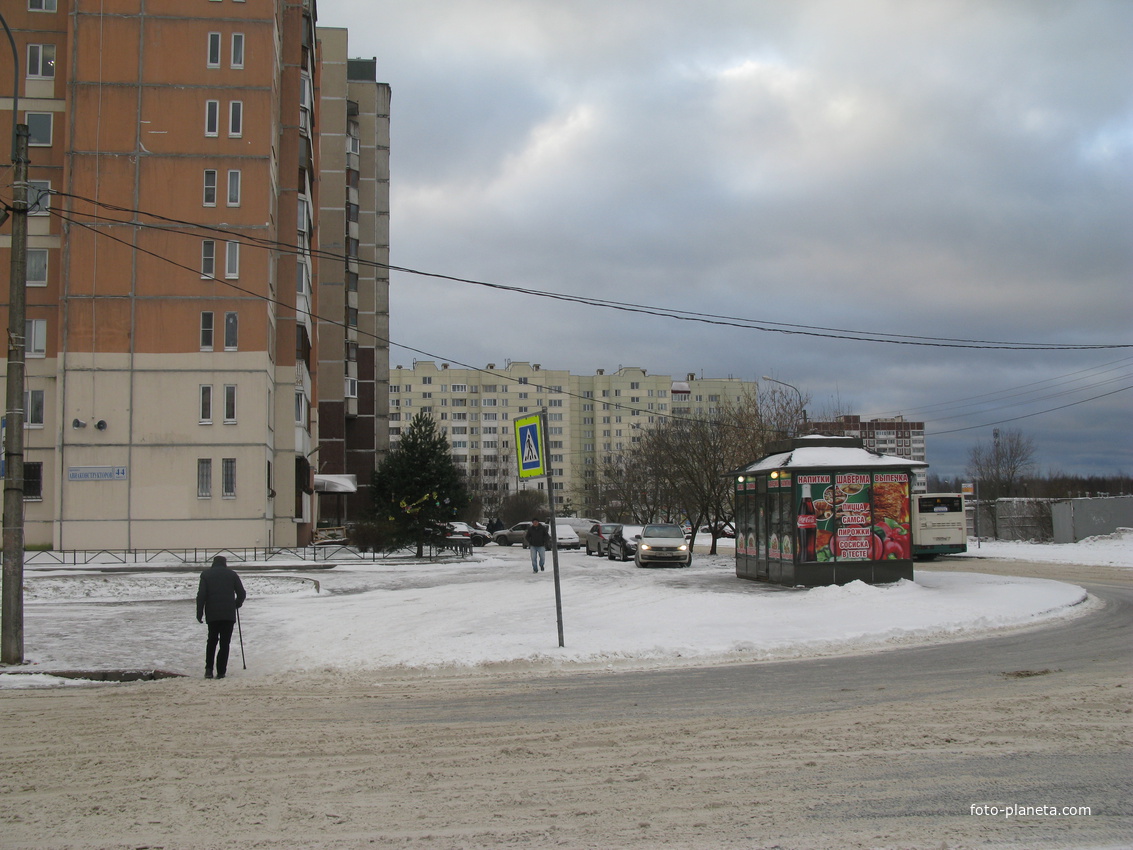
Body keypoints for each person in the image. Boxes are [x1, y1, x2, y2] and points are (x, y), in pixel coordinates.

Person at [196, 555, 246, 679]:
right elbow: (242, 593)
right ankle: (221, 671)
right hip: (228, 615)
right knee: (225, 643)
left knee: (212, 641)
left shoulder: (206, 575)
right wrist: (237, 603)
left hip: (212, 614)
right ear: (225, 563)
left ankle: (208, 670)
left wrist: (199, 612)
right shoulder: (232, 574)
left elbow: (201, 595)